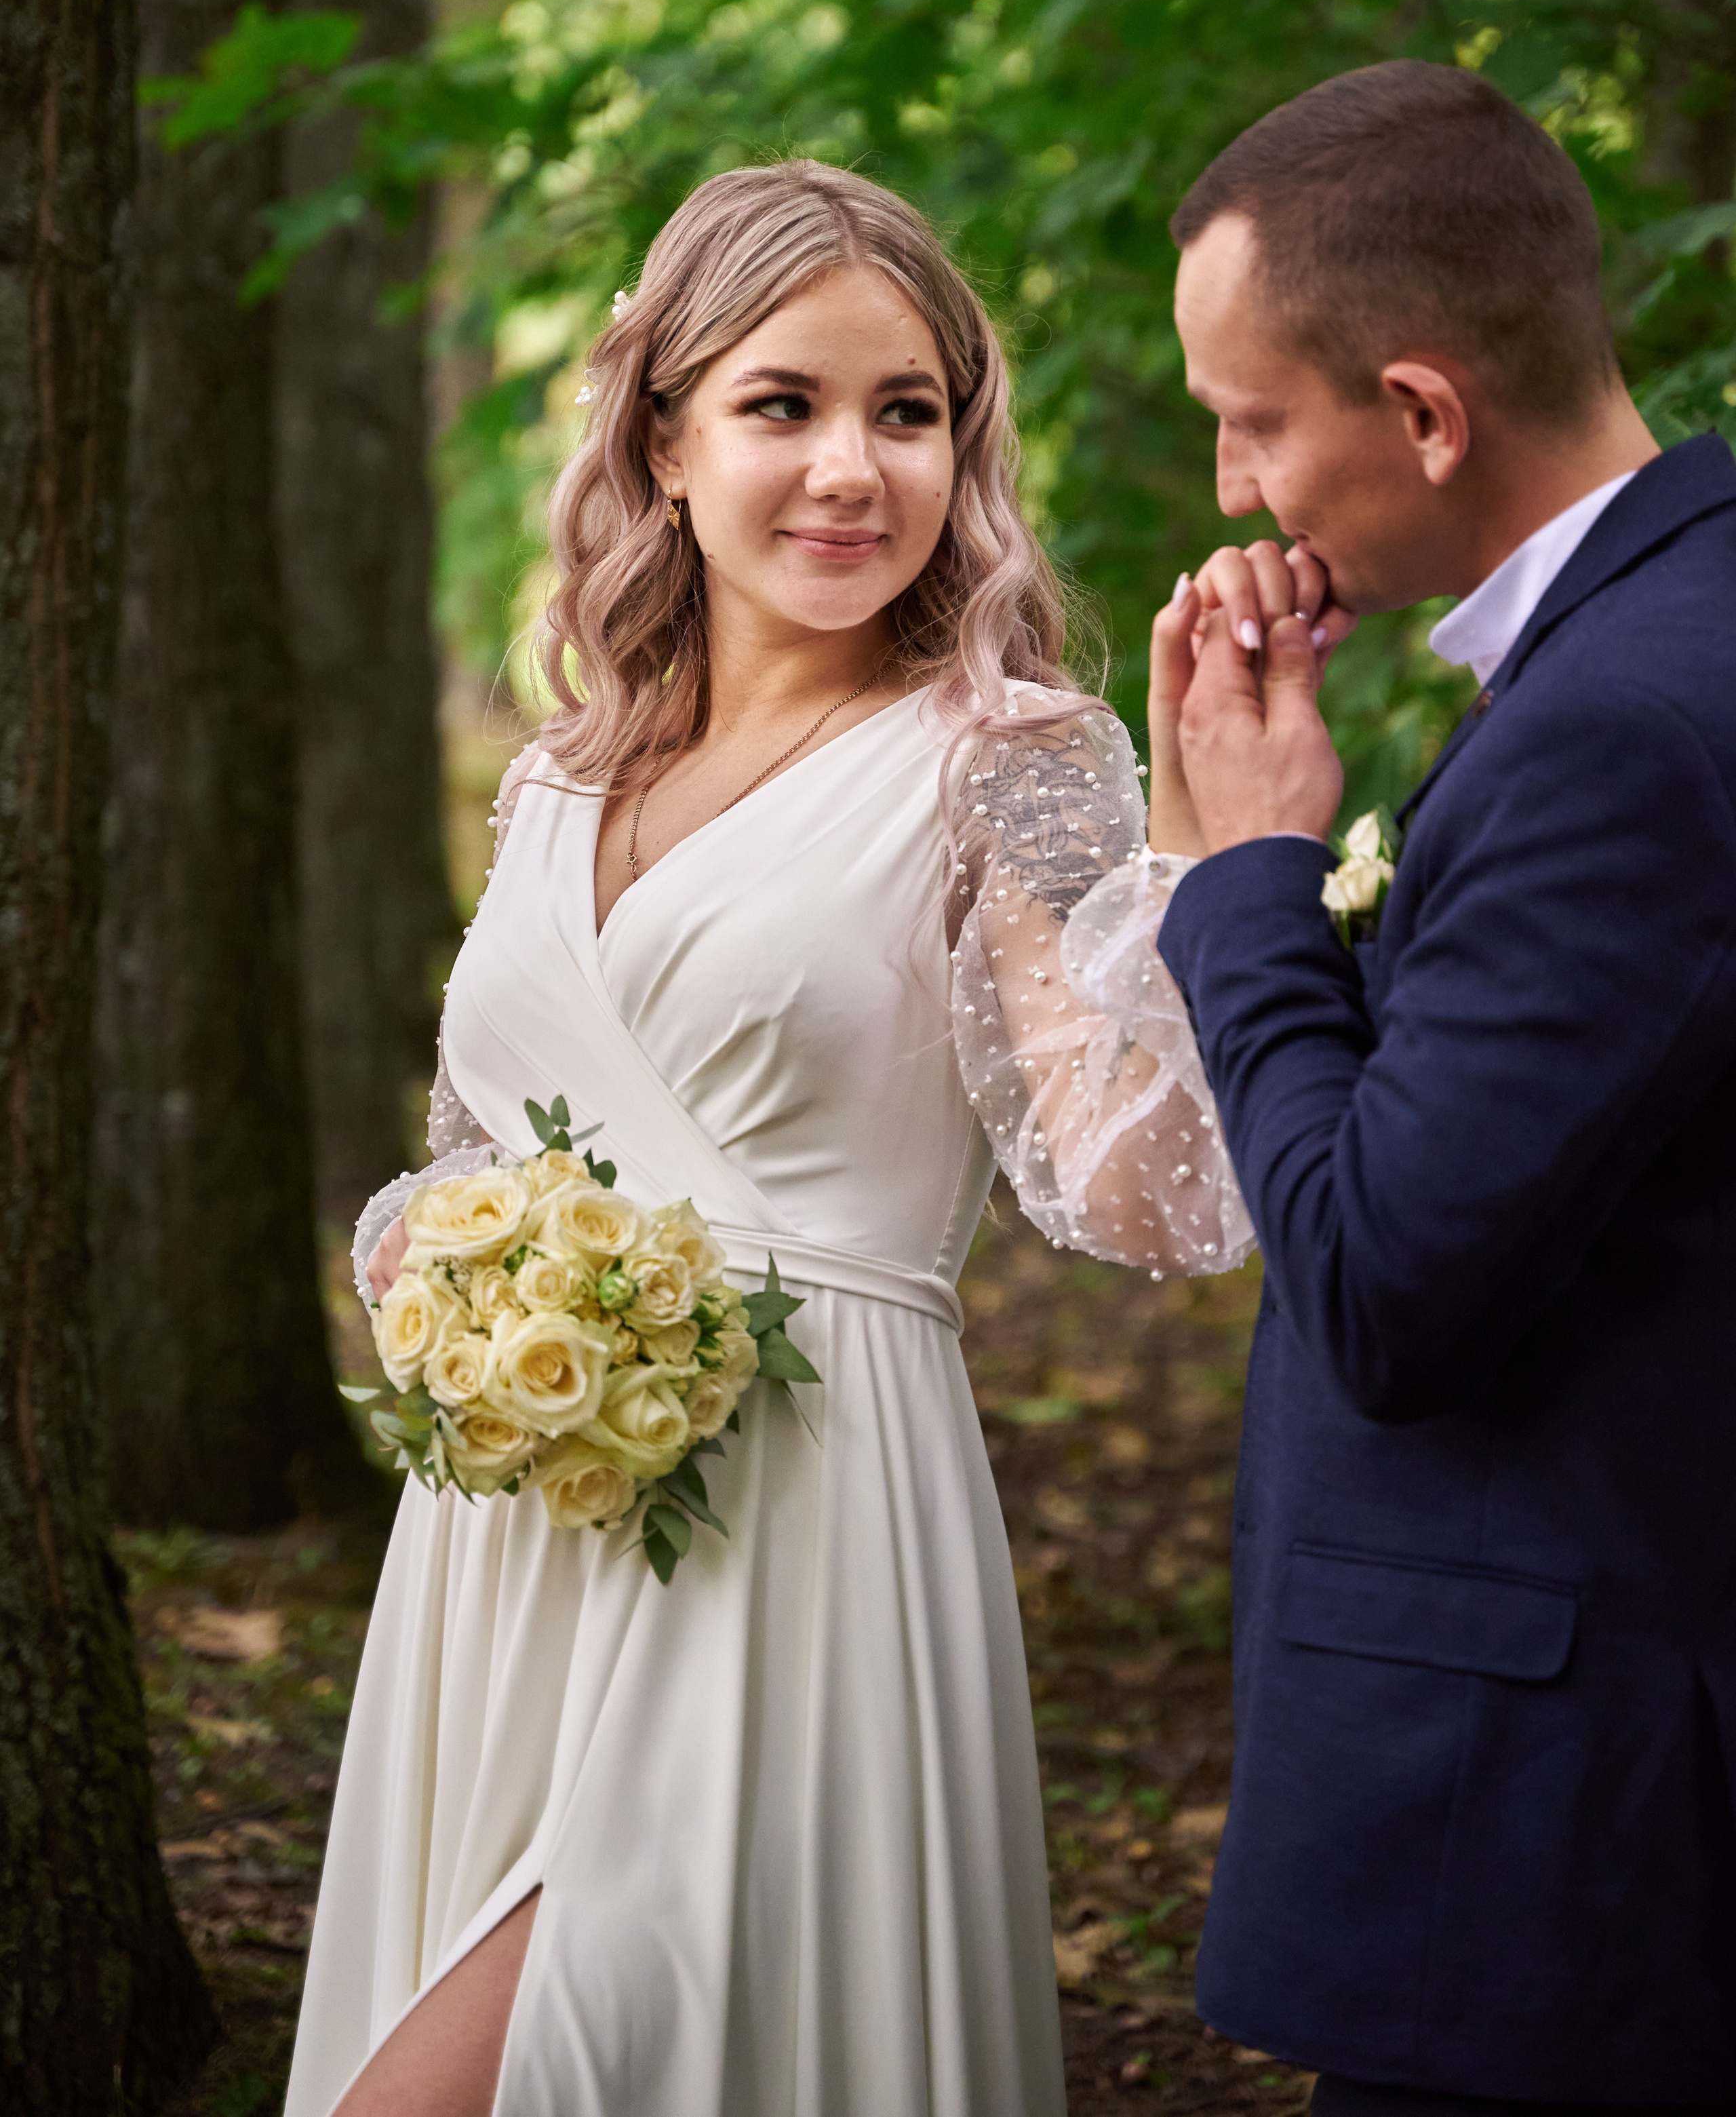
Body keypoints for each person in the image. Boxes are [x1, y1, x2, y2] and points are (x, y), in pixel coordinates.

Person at [283, 159, 1250, 2117]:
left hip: (806, 1532)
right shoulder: (562, 775)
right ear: (663, 432)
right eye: (782, 405)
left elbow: (1151, 1195)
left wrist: (1215, 864)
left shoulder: (1015, 757)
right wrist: (430, 1261)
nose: (850, 469)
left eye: (908, 412)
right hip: (509, 1538)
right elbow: (463, 1156)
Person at [1144, 60, 1736, 2115]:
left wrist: (1247, 885)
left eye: (1252, 421)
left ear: (1419, 411)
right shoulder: (1658, 633)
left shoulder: (1628, 733)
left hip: (1562, 1866)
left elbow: (1388, 1281)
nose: (1236, 489)